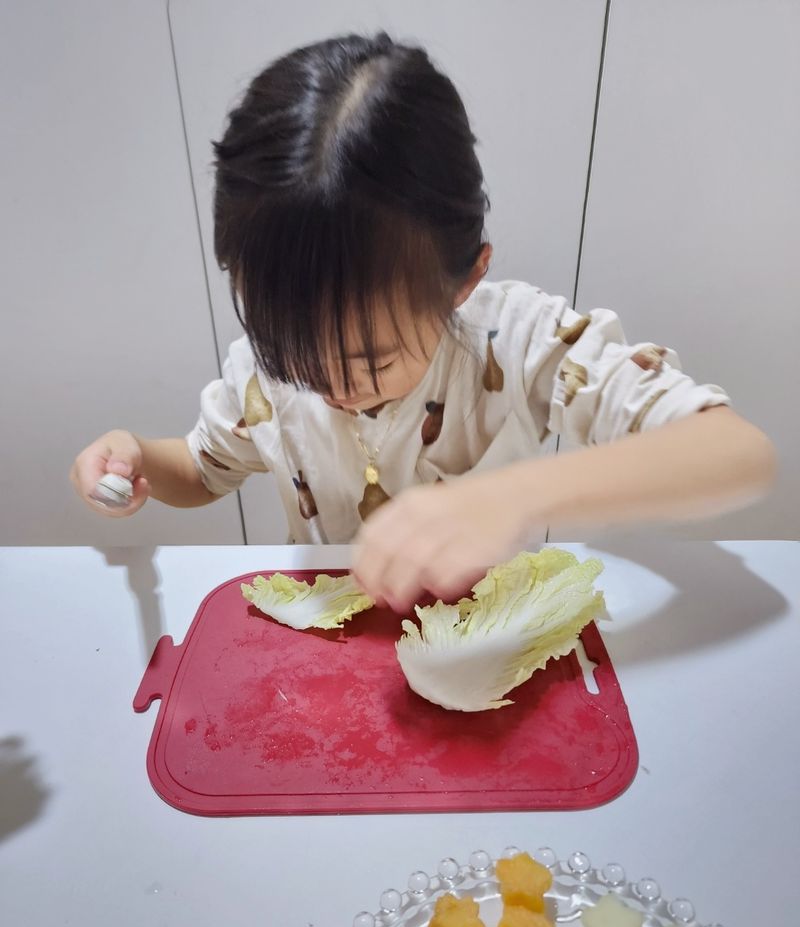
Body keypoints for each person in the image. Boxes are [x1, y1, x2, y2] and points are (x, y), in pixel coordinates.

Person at [70, 33, 775, 611]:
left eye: (369, 360)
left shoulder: (519, 343)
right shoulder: (267, 375)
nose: (329, 388)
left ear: (464, 281)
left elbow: (736, 454)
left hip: (484, 646)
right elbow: (202, 470)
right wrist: (137, 456)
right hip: (331, 652)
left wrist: (509, 499)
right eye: (292, 354)